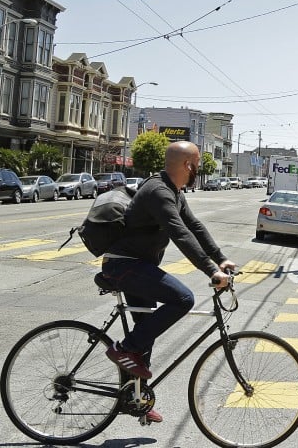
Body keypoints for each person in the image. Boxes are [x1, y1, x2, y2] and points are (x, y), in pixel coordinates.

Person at [100, 141, 235, 423]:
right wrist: (211, 270)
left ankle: (135, 398)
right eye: (197, 164)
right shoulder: (158, 192)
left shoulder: (173, 191)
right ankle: (122, 350)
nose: (198, 170)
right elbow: (179, 233)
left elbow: (193, 227)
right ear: (188, 166)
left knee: (145, 334)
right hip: (124, 266)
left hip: (138, 267)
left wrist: (220, 258)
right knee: (183, 299)